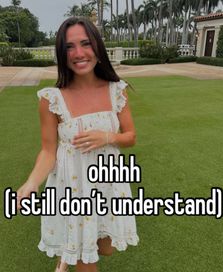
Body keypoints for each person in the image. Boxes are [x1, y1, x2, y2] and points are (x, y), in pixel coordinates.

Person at [17, 17, 139, 272]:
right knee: (87, 256)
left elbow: (130, 137)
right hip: (74, 187)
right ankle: (71, 253)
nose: (79, 53)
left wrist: (107, 137)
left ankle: (65, 255)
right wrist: (31, 182)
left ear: (97, 46)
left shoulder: (116, 90)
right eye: (69, 47)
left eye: (86, 43)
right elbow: (48, 150)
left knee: (106, 247)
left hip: (108, 183)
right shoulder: (52, 99)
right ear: (62, 53)